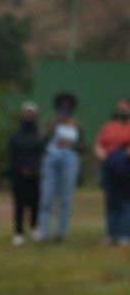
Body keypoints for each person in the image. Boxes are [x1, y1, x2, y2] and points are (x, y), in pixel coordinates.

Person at [37, 92, 83, 243]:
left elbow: (82, 145)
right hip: (51, 158)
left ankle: (61, 232)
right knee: (47, 197)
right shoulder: (51, 121)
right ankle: (43, 232)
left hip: (69, 159)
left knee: (65, 198)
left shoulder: (77, 124)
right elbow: (41, 139)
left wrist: (72, 144)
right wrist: (53, 126)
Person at [93, 99, 130, 246]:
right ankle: (111, 234)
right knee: (111, 201)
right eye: (120, 108)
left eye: (125, 108)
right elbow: (99, 143)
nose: (122, 111)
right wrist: (100, 153)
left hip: (126, 166)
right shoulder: (108, 126)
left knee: (126, 201)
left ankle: (125, 234)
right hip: (109, 166)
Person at [8, 101, 43, 245]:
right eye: (26, 113)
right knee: (19, 204)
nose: (28, 116)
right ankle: (19, 232)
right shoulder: (15, 135)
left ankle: (34, 228)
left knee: (35, 203)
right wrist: (21, 169)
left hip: (36, 175)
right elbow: (12, 155)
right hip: (18, 174)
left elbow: (40, 154)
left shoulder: (40, 135)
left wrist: (33, 169)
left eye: (31, 113)